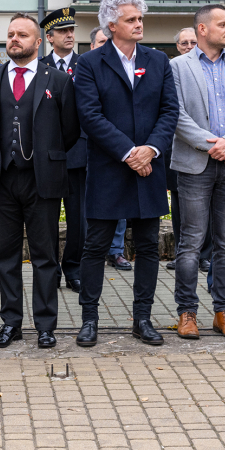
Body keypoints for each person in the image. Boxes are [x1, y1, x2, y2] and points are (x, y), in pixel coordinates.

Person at [74, 0, 179, 347]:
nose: (139, 24)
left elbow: (169, 112)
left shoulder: (158, 60)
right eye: (132, 19)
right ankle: (89, 319)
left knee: (148, 246)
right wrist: (128, 152)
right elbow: (90, 115)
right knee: (96, 246)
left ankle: (143, 318)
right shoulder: (90, 63)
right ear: (111, 24)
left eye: (140, 19)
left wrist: (149, 150)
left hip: (149, 168)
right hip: (109, 168)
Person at [0, 13, 80, 349]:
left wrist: (46, 156)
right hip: (1, 181)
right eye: (11, 34)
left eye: (22, 35)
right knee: (5, 256)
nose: (14, 39)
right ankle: (11, 323)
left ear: (38, 41)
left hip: (42, 181)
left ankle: (46, 326)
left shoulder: (58, 80)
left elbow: (71, 130)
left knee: (45, 255)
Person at [171, 5, 225, 340]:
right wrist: (213, 144)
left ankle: (224, 312)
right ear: (202, 30)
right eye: (222, 24)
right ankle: (187, 313)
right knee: (191, 243)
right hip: (196, 164)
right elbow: (176, 114)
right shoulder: (177, 67)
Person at [40, 7, 87, 292]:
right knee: (44, 220)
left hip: (79, 153)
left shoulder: (87, 64)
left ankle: (73, 268)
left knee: (78, 220)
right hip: (47, 155)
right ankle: (50, 271)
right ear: (49, 37)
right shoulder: (39, 66)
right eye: (62, 31)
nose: (69, 35)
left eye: (71, 30)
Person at [165, 27, 208, 273]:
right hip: (179, 147)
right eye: (184, 43)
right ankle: (182, 254)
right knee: (180, 205)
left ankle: (205, 255)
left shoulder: (212, 68)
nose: (189, 46)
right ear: (178, 47)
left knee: (210, 205)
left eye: (193, 41)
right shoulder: (172, 69)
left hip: (211, 147)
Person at [90, 26, 131, 268]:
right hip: (87, 149)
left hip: (120, 149)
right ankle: (93, 250)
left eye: (108, 41)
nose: (106, 45)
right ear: (93, 46)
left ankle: (115, 250)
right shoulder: (87, 66)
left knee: (120, 206)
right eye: (101, 42)